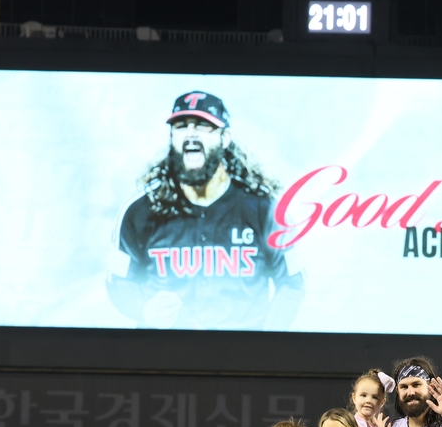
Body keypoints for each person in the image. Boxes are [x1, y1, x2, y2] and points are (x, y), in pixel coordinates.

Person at [108, 91, 304, 331]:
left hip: (242, 359)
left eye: (202, 125)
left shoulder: (265, 209)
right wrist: (143, 311)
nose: (190, 133)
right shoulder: (140, 210)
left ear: (224, 138)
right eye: (180, 126)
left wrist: (266, 342)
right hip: (163, 357)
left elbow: (292, 284)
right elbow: (117, 280)